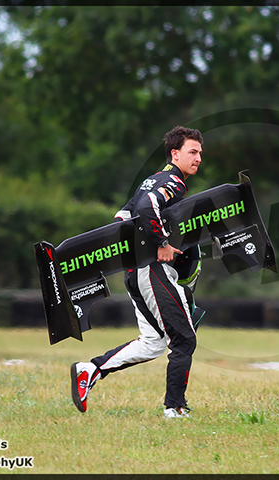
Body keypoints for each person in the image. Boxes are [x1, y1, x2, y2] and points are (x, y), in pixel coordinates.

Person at [70, 126, 204, 419]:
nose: (198, 159)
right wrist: (161, 244)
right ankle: (175, 407)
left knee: (154, 341)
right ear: (175, 154)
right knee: (183, 339)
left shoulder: (151, 180)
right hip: (152, 271)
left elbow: (122, 216)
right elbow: (146, 207)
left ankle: (90, 370)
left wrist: (136, 250)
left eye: (200, 154)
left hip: (137, 272)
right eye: (192, 152)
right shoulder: (173, 181)